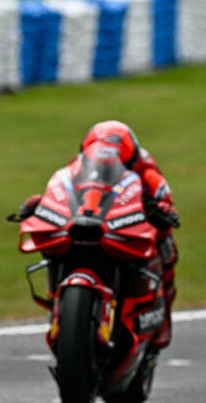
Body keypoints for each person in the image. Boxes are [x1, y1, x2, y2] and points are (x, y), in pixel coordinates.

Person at [18, 121, 179, 350]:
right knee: (55, 240)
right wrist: (40, 204)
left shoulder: (148, 170)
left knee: (167, 248)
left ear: (130, 159)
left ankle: (163, 317)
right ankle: (56, 299)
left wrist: (163, 211)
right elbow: (60, 191)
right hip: (93, 217)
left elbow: (167, 205)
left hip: (130, 221)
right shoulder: (75, 166)